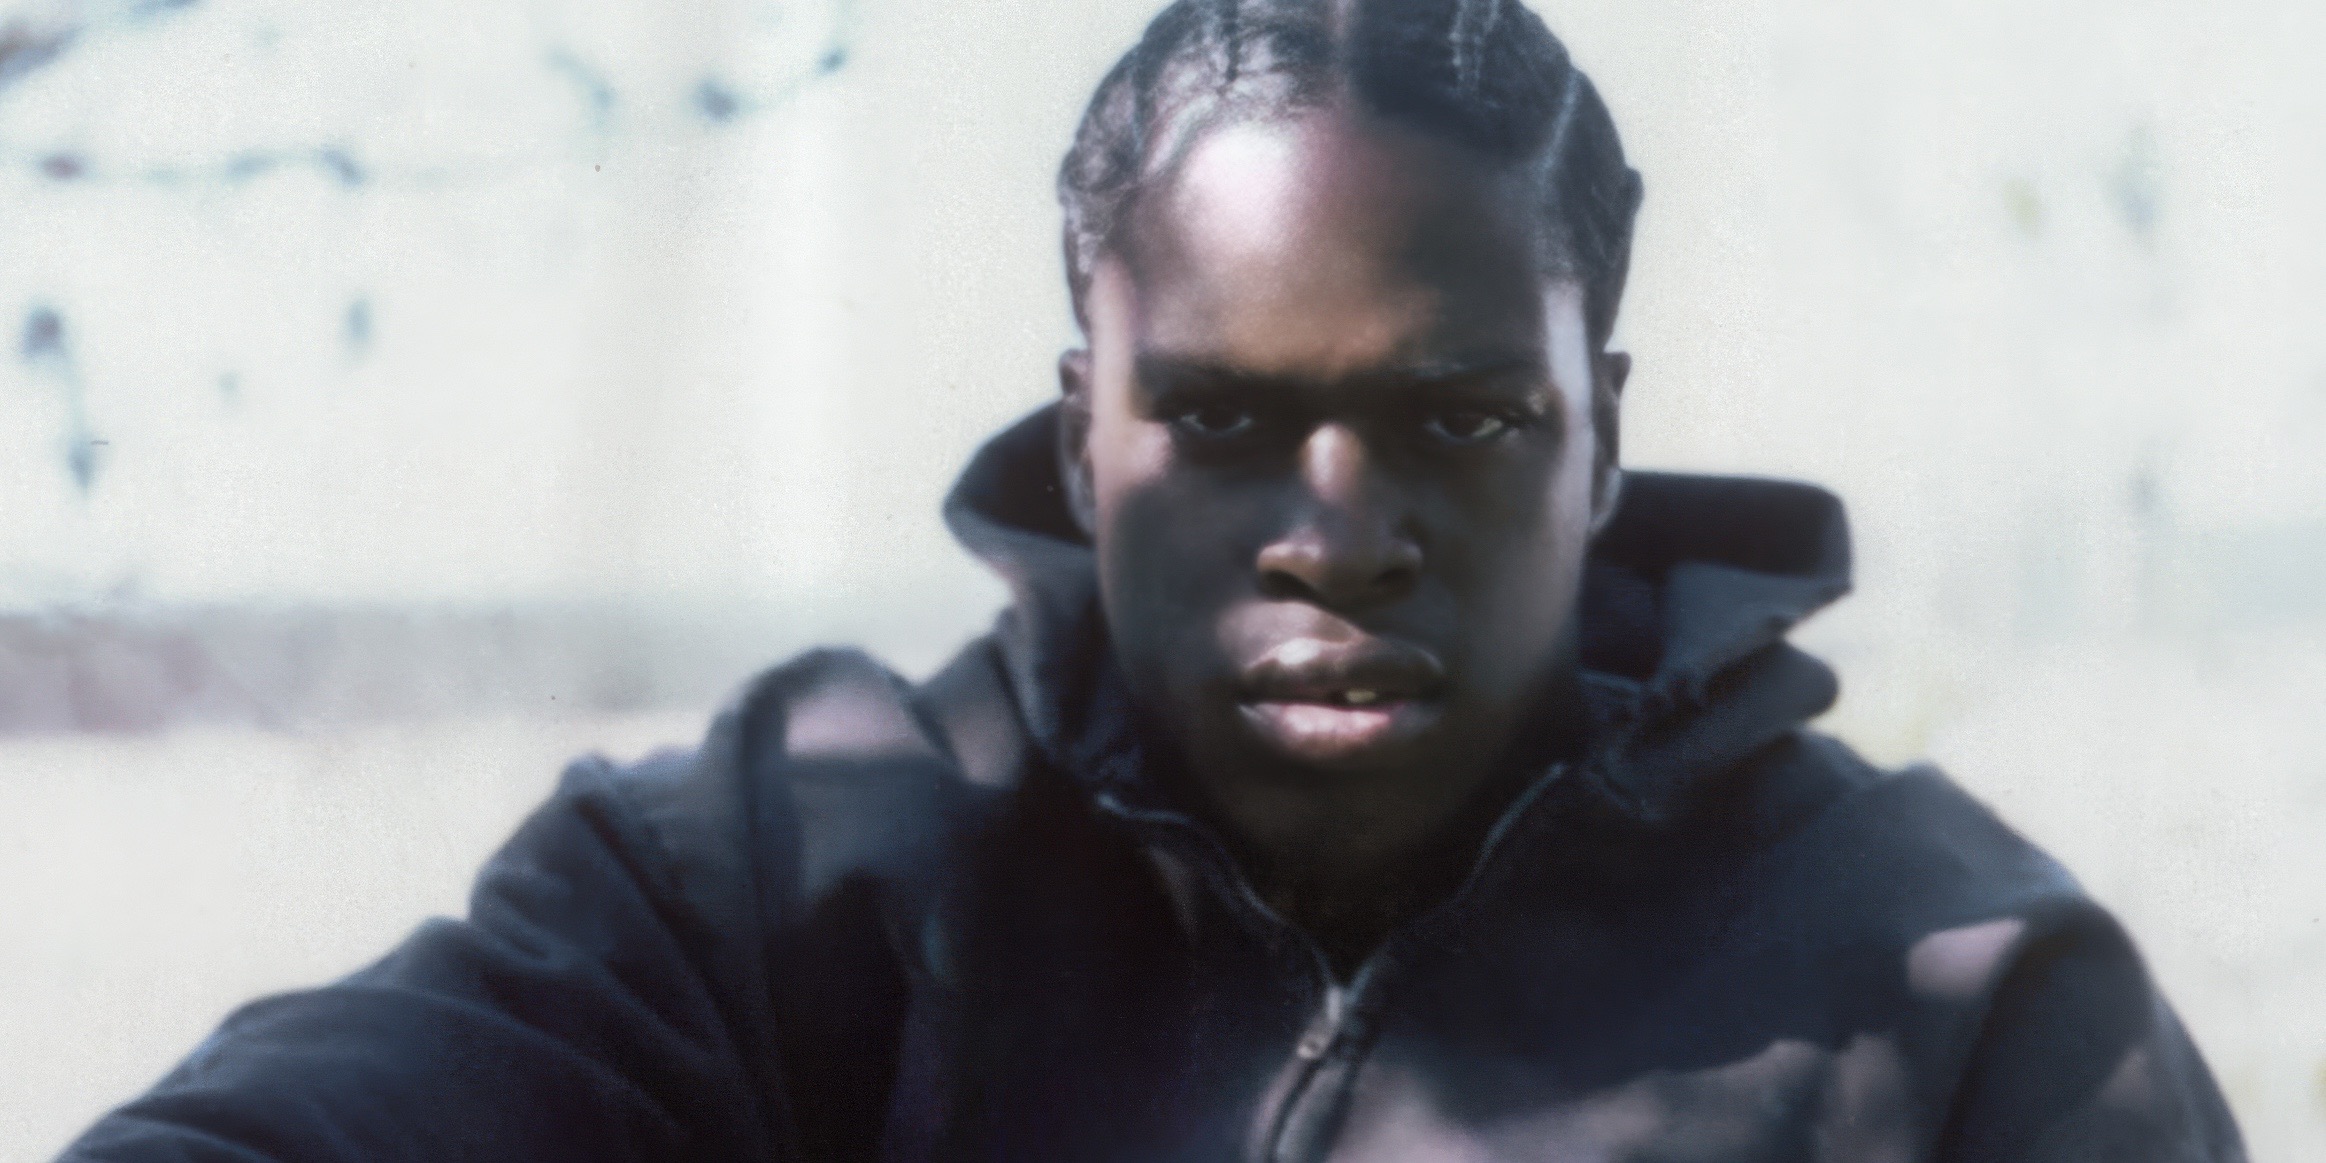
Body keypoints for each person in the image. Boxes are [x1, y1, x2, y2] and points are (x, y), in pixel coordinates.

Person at [62, 1, 2246, 1160]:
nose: (1334, 523)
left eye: (1461, 419)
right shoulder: (779, 867)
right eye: (1214, 417)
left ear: (1602, 440)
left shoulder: (1960, 992)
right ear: (1082, 429)